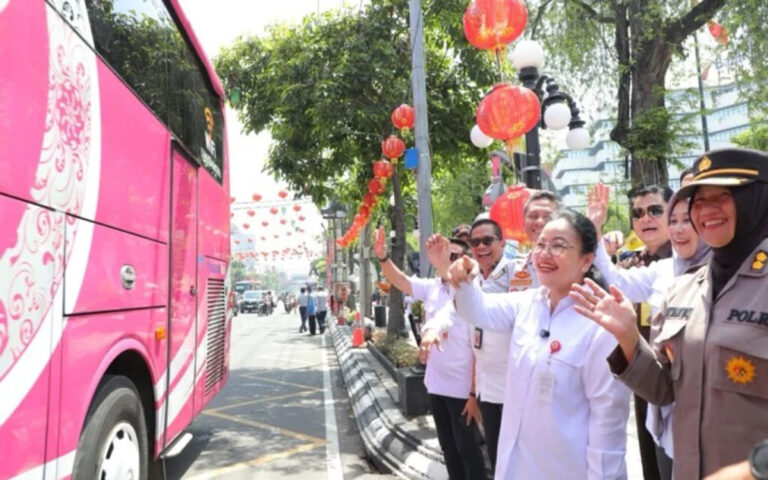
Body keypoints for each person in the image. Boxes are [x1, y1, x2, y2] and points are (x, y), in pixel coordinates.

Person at [570, 148, 768, 480]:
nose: (707, 209)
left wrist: (753, 470)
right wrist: (629, 338)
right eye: (699, 200)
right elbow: (664, 391)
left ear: (757, 199)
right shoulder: (685, 286)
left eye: (723, 195)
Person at [437, 209, 630, 480]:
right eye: (540, 245)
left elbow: (607, 418)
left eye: (558, 246)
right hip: (519, 466)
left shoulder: (600, 323)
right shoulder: (527, 303)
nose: (544, 254)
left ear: (586, 260)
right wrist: (464, 278)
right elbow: (476, 310)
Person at [587, 183, 711, 477]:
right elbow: (615, 280)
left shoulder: (724, 271)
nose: (679, 229)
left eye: (687, 220)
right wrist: (594, 227)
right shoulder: (662, 269)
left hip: (706, 408)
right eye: (673, 220)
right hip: (658, 395)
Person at [374, 226, 487, 480]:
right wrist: (383, 257)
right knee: (449, 449)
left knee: (469, 449)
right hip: (436, 385)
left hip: (463, 390)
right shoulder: (433, 287)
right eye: (448, 254)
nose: (451, 260)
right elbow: (401, 281)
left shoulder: (472, 291)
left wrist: (473, 394)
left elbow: (476, 348)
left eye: (456, 256)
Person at [619, 184, 674, 480]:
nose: (645, 219)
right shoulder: (631, 263)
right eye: (638, 213)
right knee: (648, 454)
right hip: (640, 369)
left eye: (654, 210)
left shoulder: (684, 260)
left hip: (673, 377)